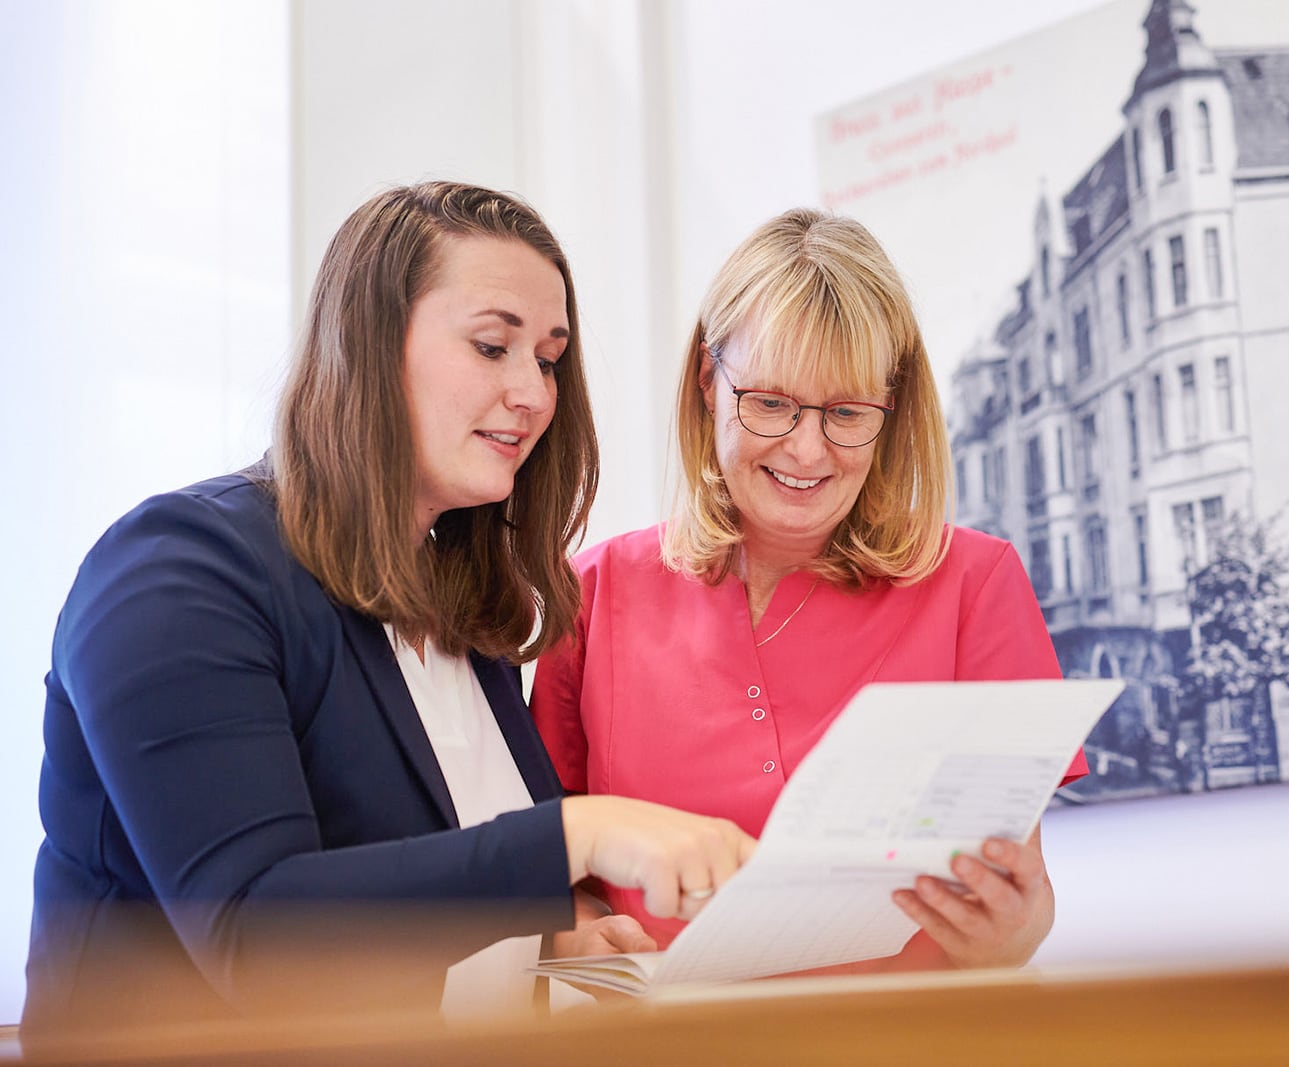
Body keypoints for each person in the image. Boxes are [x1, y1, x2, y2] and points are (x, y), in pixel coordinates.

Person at [24, 181, 753, 1039]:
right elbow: (256, 940)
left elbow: (425, 880)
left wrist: (552, 936)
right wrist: (573, 835)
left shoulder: (455, 606)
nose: (533, 393)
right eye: (492, 346)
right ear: (368, 347)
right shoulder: (174, 572)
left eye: (549, 359)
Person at [533, 208, 1088, 971]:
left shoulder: (975, 585)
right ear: (708, 381)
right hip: (674, 1029)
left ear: (891, 411)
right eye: (770, 403)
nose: (806, 448)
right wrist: (580, 929)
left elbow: (1019, 896)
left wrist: (1015, 931)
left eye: (847, 412)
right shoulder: (593, 595)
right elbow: (551, 863)